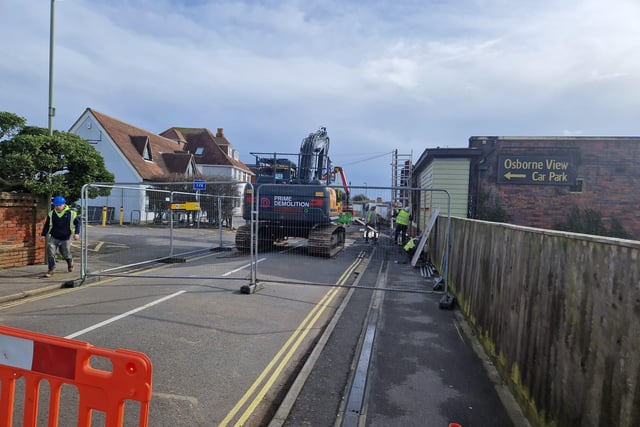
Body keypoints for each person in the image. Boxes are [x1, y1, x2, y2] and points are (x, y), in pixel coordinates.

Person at [40, 196, 80, 277]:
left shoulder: (71, 213)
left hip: (66, 237)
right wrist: (43, 235)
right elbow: (47, 225)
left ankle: (70, 262)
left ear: (64, 204)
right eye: (56, 205)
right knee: (50, 252)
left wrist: (77, 233)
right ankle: (51, 269)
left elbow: (78, 223)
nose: (57, 207)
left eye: (59, 205)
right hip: (54, 236)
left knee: (65, 254)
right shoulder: (51, 214)